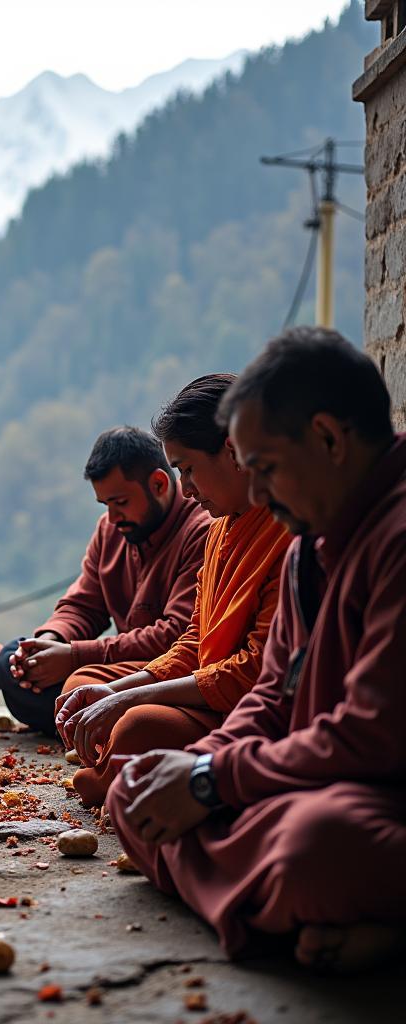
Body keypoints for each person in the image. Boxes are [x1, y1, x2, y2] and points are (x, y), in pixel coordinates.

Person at [108, 328, 406, 973]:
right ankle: (314, 913)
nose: (260, 495)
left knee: (317, 845)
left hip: (369, 798)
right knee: (135, 791)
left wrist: (216, 781)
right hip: (301, 780)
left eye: (265, 469)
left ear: (328, 438)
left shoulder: (396, 536)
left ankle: (327, 906)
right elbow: (274, 694)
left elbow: (373, 736)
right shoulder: (309, 540)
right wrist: (198, 767)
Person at [56, 375, 289, 806]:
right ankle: (119, 764)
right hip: (202, 689)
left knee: (136, 724)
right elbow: (195, 640)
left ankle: (120, 768)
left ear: (233, 452)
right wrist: (119, 690)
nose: (187, 489)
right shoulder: (221, 531)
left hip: (243, 710)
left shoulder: (286, 532)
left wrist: (131, 696)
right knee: (87, 688)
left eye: (187, 469)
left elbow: (255, 672)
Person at [0, 427, 209, 735]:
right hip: (114, 663)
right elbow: (83, 605)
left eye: (120, 502)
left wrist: (73, 656)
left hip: (159, 671)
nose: (111, 517)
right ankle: (88, 724)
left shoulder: (201, 529)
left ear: (159, 484)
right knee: (10, 661)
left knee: (81, 685)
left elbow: (174, 636)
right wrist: (51, 643)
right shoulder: (111, 530)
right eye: (105, 505)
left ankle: (95, 724)